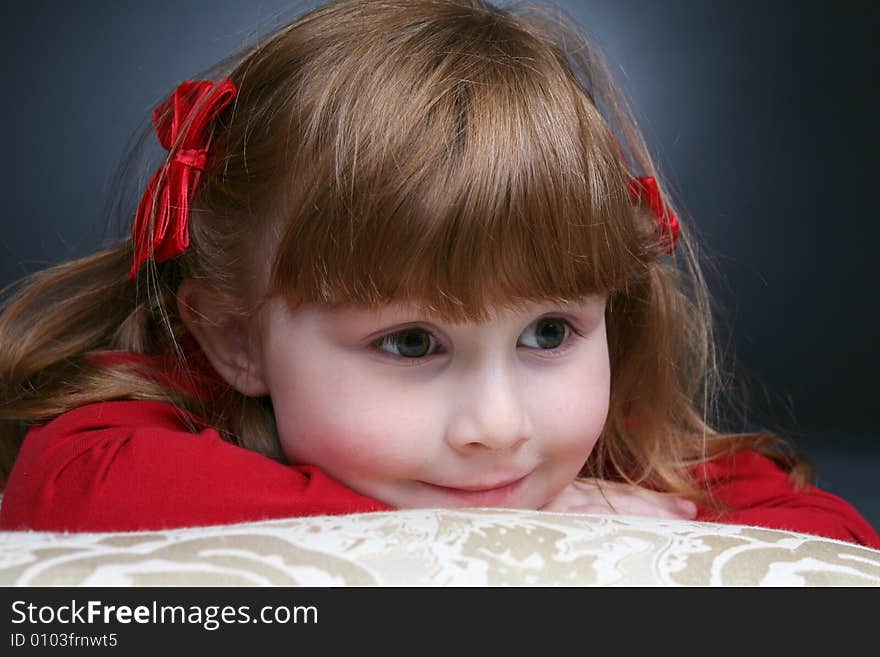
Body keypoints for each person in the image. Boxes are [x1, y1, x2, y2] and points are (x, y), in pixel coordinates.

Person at [0, 0, 877, 549]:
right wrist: (494, 535)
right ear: (236, 340)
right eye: (413, 341)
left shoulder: (620, 452)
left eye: (549, 332)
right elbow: (70, 488)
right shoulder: (151, 428)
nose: (498, 426)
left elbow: (835, 544)